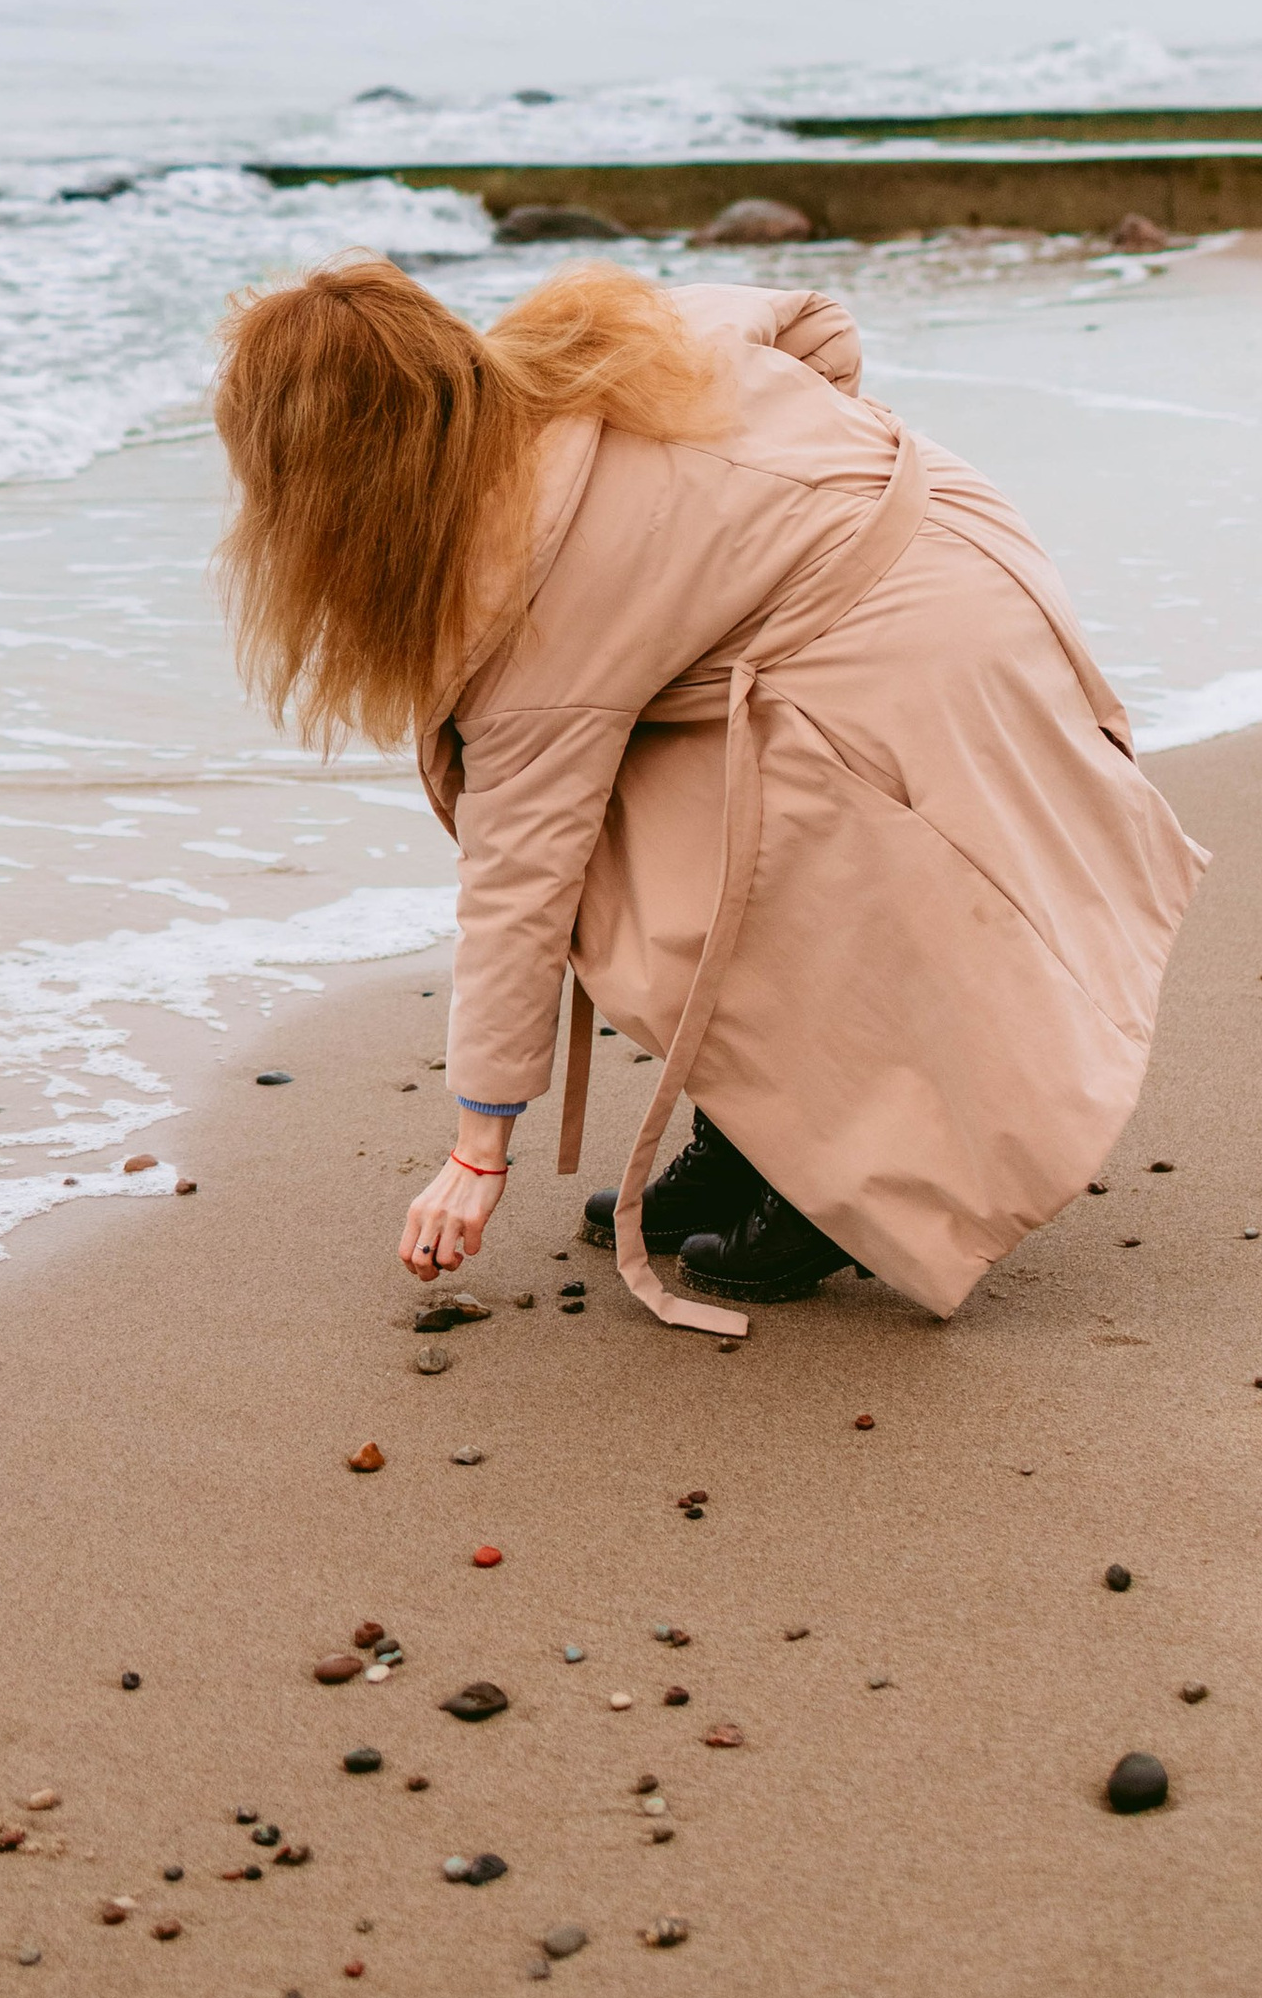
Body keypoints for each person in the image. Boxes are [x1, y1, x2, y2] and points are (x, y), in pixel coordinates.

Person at [213, 254, 1206, 1334]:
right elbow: (813, 325)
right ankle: (747, 1136)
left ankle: (837, 1178)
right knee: (667, 807)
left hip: (909, 647)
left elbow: (520, 881)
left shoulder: (523, 597)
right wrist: (783, 484)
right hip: (964, 535)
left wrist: (475, 1149)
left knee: (702, 867)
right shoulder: (593, 344)